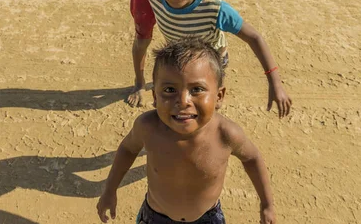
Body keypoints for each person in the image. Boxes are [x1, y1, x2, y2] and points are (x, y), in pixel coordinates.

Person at [97, 38, 277, 224]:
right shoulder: (148, 127)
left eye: (197, 89)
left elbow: (252, 158)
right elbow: (128, 149)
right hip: (156, 217)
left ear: (219, 96)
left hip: (208, 218)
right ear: (155, 96)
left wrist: (267, 205)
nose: (183, 101)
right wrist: (109, 190)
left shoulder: (226, 134)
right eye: (169, 89)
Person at [147, 0, 292, 118]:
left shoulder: (216, 10)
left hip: (211, 61)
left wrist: (276, 84)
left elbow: (255, 37)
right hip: (179, 58)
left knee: (204, 106)